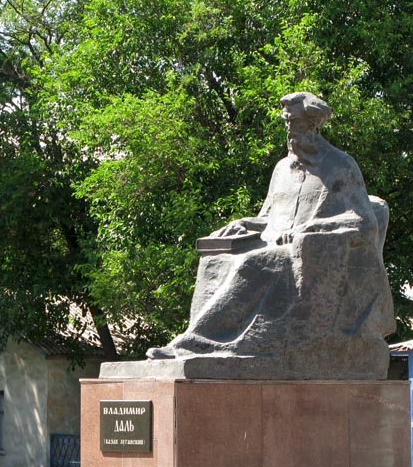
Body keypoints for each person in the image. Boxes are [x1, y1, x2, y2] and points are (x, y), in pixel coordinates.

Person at [146, 92, 394, 379]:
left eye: (297, 124)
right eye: (287, 123)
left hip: (309, 255)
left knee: (253, 264)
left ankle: (195, 343)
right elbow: (268, 218)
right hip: (273, 244)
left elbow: (364, 221)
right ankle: (200, 340)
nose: (290, 132)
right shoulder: (282, 169)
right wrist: (244, 223)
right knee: (214, 261)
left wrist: (311, 228)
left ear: (313, 125)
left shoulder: (340, 165)